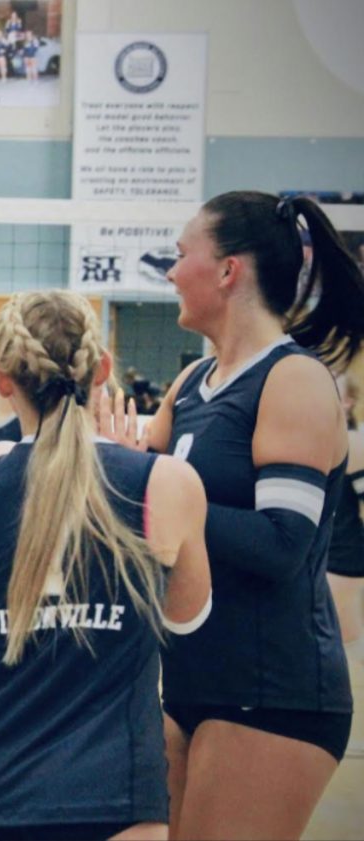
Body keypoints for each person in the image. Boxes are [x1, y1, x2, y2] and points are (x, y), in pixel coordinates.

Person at [0, 290, 212, 841]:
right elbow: (185, 619)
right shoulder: (164, 484)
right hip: (109, 794)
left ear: (4, 380)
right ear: (102, 368)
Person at [128, 191, 364, 839]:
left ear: (228, 270)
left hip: (276, 691)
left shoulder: (294, 379)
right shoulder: (192, 382)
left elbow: (282, 543)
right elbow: (135, 503)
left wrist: (159, 499)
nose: (171, 273)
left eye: (181, 256)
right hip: (187, 682)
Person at [327, 374, 364, 670]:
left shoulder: (354, 443)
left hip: (343, 555)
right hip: (330, 554)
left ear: (348, 402)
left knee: (342, 640)